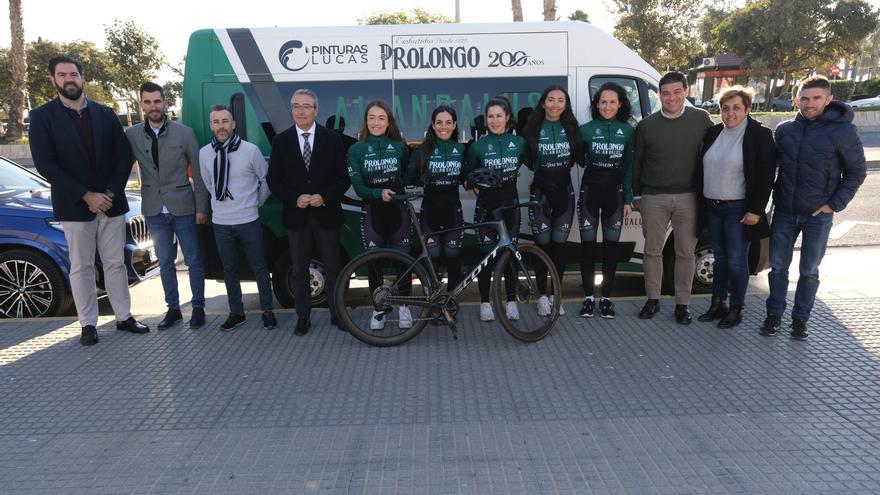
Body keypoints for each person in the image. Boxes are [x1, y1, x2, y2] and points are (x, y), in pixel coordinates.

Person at [28, 55, 149, 345]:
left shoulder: (105, 113)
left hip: (111, 203)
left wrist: (108, 194)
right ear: (54, 80)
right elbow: (46, 165)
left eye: (74, 74)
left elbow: (123, 156)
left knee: (115, 263)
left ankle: (124, 316)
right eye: (62, 75)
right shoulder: (43, 117)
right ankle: (88, 324)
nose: (69, 79)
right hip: (74, 206)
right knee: (81, 266)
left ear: (82, 78)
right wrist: (86, 195)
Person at [760, 76, 867, 340]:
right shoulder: (784, 131)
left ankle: (800, 320)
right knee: (778, 268)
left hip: (817, 216)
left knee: (808, 271)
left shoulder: (843, 131)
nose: (809, 104)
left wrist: (834, 204)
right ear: (796, 100)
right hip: (785, 211)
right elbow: (770, 169)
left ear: (828, 100)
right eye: (804, 98)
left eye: (816, 98)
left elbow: (856, 171)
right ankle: (774, 315)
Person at [125, 82, 210, 330]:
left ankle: (198, 308)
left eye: (157, 101)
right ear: (141, 105)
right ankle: (173, 309)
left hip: (184, 207)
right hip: (154, 209)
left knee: (193, 260)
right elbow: (121, 166)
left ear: (165, 102)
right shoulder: (131, 135)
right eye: (148, 102)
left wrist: (202, 207)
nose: (153, 106)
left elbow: (200, 173)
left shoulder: (185, 133)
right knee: (164, 262)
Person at [633, 71, 714, 324]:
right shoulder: (646, 125)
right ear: (659, 95)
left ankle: (682, 304)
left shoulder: (701, 119)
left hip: (689, 197)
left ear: (686, 92)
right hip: (653, 197)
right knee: (653, 251)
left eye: (677, 92)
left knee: (686, 253)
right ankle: (653, 300)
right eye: (666, 93)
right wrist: (636, 194)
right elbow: (637, 163)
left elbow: (712, 156)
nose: (671, 98)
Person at [267, 89, 349, 336]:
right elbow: (274, 180)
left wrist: (323, 196)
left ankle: (338, 314)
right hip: (297, 216)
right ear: (292, 110)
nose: (300, 111)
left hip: (326, 214)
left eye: (306, 106)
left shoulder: (332, 139)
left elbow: (342, 179)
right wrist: (295, 198)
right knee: (299, 269)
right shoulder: (281, 141)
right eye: (296, 106)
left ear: (316, 110)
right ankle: (303, 317)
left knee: (334, 268)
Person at [698, 86, 776, 329]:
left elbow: (765, 176)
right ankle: (717, 304)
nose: (730, 113)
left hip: (739, 209)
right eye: (725, 108)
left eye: (736, 108)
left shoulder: (758, 135)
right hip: (713, 206)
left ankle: (736, 308)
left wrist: (755, 210)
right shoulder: (713, 133)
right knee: (720, 259)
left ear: (747, 109)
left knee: (737, 260)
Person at [199, 105, 277, 331]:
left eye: (225, 121)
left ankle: (268, 311)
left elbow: (266, 180)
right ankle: (236, 312)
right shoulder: (205, 153)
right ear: (211, 125)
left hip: (248, 220)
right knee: (229, 269)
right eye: (216, 122)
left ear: (233, 124)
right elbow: (208, 184)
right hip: (221, 222)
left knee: (259, 267)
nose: (221, 126)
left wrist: (256, 203)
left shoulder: (250, 151)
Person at [346, 100, 413, 331]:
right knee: (374, 263)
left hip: (398, 211)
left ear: (388, 121)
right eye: (372, 117)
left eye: (381, 118)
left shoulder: (400, 146)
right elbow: (358, 187)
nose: (376, 122)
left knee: (403, 260)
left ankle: (405, 306)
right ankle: (379, 309)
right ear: (366, 121)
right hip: (373, 210)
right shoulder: (356, 149)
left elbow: (405, 174)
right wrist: (377, 192)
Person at [465, 98, 528, 322]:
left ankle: (511, 302)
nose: (494, 120)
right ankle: (485, 303)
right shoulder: (477, 146)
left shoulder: (519, 142)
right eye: (490, 116)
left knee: (509, 255)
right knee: (486, 256)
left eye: (498, 116)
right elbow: (468, 176)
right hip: (486, 207)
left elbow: (532, 163)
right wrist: (471, 184)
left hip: (510, 206)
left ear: (507, 117)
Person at [575, 82, 635, 319]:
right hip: (590, 191)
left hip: (615, 195)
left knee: (611, 250)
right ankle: (589, 298)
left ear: (620, 104)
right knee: (587, 249)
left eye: (612, 102)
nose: (607, 106)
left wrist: (628, 198)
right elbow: (580, 158)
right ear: (596, 104)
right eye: (603, 102)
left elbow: (629, 168)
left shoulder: (628, 131)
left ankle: (606, 299)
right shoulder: (585, 130)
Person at [521, 85, 578, 316]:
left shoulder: (573, 128)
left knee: (559, 248)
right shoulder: (532, 129)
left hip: (564, 192)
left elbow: (577, 155)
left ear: (566, 105)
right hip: (540, 193)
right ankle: (542, 297)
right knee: (541, 247)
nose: (555, 104)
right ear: (543, 103)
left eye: (560, 100)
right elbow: (525, 158)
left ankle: (557, 296)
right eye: (551, 100)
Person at [408, 105, 467, 292]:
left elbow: (468, 176)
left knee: (453, 255)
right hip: (430, 211)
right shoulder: (421, 151)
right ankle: (432, 297)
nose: (444, 127)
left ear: (455, 124)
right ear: (432, 125)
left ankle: (450, 299)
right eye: (439, 122)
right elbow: (408, 178)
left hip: (453, 210)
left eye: (448, 122)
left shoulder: (461, 149)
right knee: (430, 256)